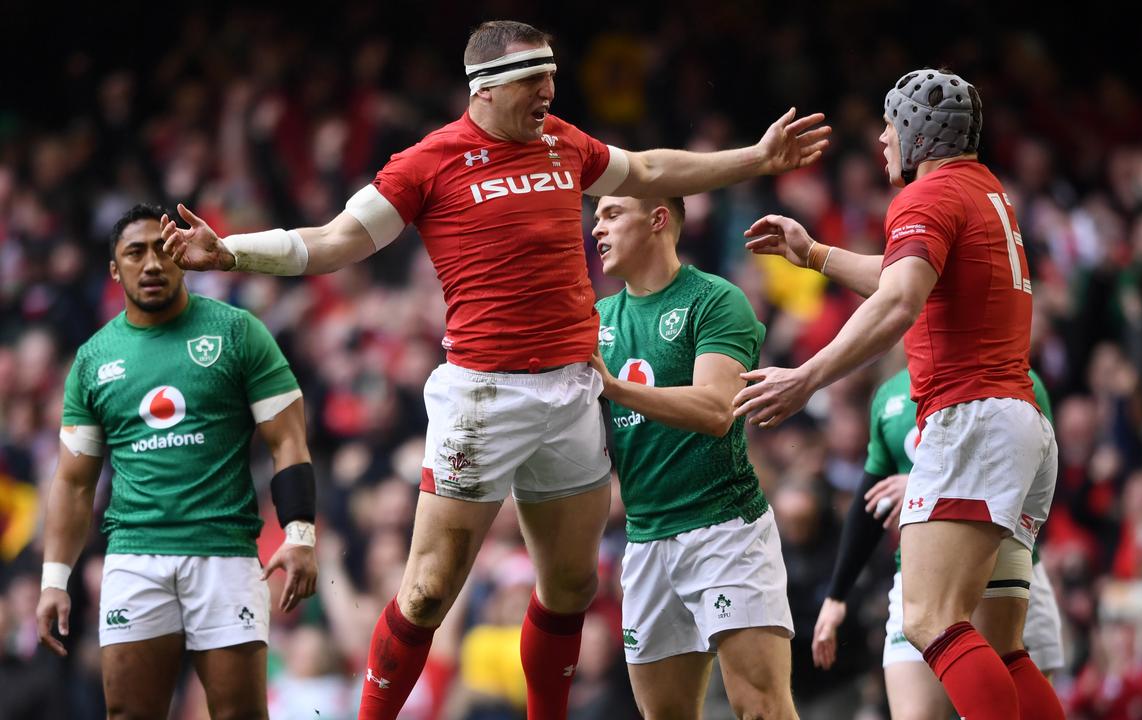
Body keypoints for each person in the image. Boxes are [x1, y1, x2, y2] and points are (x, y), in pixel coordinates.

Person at [158, 20, 829, 720]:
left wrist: (756, 158)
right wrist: (232, 252)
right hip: (483, 395)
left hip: (573, 386)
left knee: (569, 587)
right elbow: (333, 241)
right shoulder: (427, 162)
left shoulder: (562, 142)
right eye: (534, 80)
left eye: (551, 77)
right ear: (486, 89)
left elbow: (653, 171)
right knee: (425, 590)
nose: (549, 90)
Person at [732, 68, 1063, 720]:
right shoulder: (985, 190)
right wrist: (818, 255)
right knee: (1001, 647)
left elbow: (900, 299)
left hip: (969, 417)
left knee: (929, 620)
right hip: (1018, 421)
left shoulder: (925, 196)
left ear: (915, 132)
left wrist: (808, 376)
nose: (882, 139)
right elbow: (908, 278)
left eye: (889, 125)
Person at [35, 203, 318, 719]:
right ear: (113, 269)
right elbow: (74, 483)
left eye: (164, 250)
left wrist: (299, 535)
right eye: (135, 253)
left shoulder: (238, 332)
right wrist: (55, 579)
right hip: (135, 557)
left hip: (225, 554)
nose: (151, 264)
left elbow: (289, 443)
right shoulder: (93, 359)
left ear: (182, 258)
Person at [589, 195, 796, 719]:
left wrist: (613, 387)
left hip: (724, 529)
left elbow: (716, 408)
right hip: (644, 540)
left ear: (659, 219)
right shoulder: (595, 319)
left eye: (613, 214)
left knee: (761, 709)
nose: (597, 228)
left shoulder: (714, 299)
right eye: (596, 217)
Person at [808, 366, 1064, 720]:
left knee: (1006, 667)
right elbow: (869, 499)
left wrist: (917, 487)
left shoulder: (1012, 379)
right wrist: (837, 595)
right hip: (918, 571)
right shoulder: (891, 395)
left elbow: (1036, 480)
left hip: (999, 559)